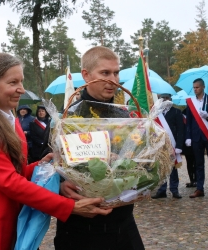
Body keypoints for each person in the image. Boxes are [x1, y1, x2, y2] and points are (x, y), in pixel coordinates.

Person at [0, 52, 111, 250]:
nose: (21, 89)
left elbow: (11, 172)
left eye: (21, 81)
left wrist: (40, 166)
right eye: (13, 82)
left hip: (6, 222)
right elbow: (7, 180)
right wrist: (68, 207)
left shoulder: (6, 116)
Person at [53, 46, 145, 250]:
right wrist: (59, 185)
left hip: (123, 223)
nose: (113, 79)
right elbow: (47, 164)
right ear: (86, 75)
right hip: (81, 228)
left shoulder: (128, 117)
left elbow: (143, 159)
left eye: (116, 72)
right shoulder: (67, 118)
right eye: (105, 73)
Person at [152, 93, 184, 199]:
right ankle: (161, 190)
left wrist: (179, 145)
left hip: (173, 144)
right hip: (160, 144)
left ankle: (174, 190)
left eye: (167, 98)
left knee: (173, 167)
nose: (165, 100)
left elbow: (180, 130)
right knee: (161, 167)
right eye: (162, 98)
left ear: (171, 99)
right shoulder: (156, 113)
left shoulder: (176, 112)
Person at [182, 108, 197, 188]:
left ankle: (197, 180)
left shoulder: (197, 111)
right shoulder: (183, 114)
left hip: (196, 141)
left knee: (197, 162)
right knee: (189, 162)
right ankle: (192, 180)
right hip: (187, 143)